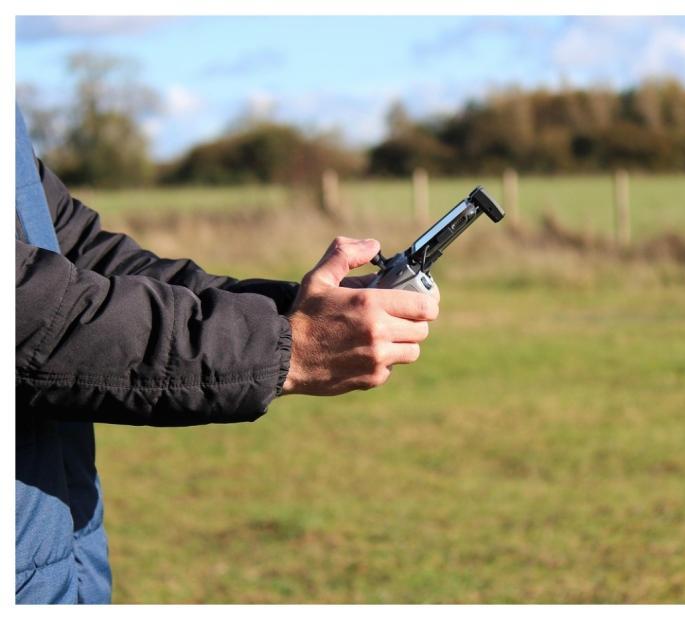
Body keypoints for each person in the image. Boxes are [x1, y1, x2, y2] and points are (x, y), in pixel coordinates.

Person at [14, 104, 439, 604]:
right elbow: (31, 308)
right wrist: (283, 343)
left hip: (56, 547)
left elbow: (82, 255)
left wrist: (300, 309)